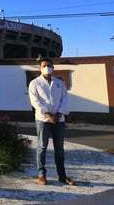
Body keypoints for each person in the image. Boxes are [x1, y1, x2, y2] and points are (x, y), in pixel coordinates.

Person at [29, 58, 76, 186]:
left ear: (53, 68)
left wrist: (59, 113)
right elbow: (35, 101)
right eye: (44, 65)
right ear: (40, 68)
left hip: (59, 119)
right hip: (43, 119)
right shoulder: (34, 83)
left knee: (59, 148)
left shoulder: (59, 83)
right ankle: (41, 175)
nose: (47, 67)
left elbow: (64, 99)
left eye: (49, 65)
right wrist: (48, 115)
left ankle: (62, 175)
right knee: (42, 147)